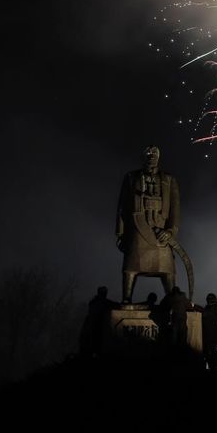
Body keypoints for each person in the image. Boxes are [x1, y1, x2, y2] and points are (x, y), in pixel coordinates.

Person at [116, 146, 180, 304]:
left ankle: (173, 299)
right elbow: (122, 207)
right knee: (131, 267)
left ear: (159, 157)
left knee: (168, 270)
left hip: (161, 230)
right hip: (138, 227)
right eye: (148, 153)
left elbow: (175, 209)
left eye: (155, 153)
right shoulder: (131, 177)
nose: (151, 156)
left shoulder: (169, 179)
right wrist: (120, 234)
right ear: (142, 157)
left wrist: (170, 231)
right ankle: (127, 299)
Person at [79, 286, 115, 357]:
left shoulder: (94, 303)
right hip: (97, 327)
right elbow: (111, 305)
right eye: (103, 293)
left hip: (95, 326)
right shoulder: (100, 303)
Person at [201, 293, 217, 371]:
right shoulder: (214, 308)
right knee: (211, 353)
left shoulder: (213, 309)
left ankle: (212, 368)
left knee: (211, 353)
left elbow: (205, 315)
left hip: (210, 336)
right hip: (211, 336)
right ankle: (212, 368)